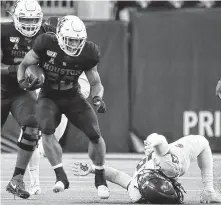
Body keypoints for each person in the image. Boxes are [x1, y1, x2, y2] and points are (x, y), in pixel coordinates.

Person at [17, 15, 110, 199]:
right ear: (59, 36)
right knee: (47, 131)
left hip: (72, 95)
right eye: (70, 40)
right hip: (48, 95)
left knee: (95, 134)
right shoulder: (45, 43)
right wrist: (22, 81)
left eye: (78, 41)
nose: (74, 45)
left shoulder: (89, 52)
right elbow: (25, 64)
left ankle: (100, 179)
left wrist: (98, 97)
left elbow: (96, 82)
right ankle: (61, 177)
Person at [72, 133, 221, 203]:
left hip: (162, 156)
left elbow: (116, 176)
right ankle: (209, 191)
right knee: (203, 142)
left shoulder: (137, 191)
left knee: (201, 143)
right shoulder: (171, 165)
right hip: (175, 157)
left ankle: (209, 192)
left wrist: (93, 169)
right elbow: (161, 141)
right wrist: (152, 142)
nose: (143, 178)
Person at [1, 0, 50, 199]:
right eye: (25, 19)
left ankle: (17, 179)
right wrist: (18, 70)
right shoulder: (4, 31)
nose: (30, 24)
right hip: (2, 87)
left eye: (33, 19)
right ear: (15, 18)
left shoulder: (46, 35)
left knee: (32, 125)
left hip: (22, 91)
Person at [28, 72, 91, 195]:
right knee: (29, 139)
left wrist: (70, 95)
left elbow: (85, 87)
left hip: (62, 107)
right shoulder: (42, 56)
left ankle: (59, 175)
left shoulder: (77, 60)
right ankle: (34, 184)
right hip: (41, 103)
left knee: (46, 148)